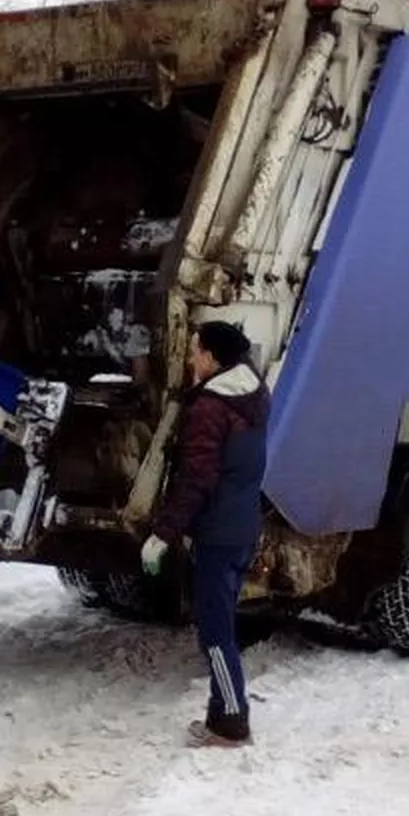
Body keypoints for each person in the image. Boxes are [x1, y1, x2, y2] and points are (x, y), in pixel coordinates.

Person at [142, 320, 270, 748]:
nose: (191, 358)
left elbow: (196, 479)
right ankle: (221, 717)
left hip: (218, 532)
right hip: (241, 526)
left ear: (213, 359)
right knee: (221, 625)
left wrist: (163, 533)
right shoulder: (252, 395)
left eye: (196, 351)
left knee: (216, 633)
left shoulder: (211, 409)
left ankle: (233, 721)